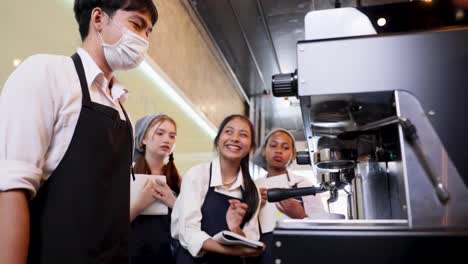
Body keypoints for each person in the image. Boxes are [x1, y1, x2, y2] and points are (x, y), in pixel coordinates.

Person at [0, 1, 158, 263]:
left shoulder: (121, 108)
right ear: (98, 18)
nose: (143, 39)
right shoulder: (48, 73)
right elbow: (11, 187)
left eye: (148, 33)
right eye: (136, 25)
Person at [171, 114, 265, 264]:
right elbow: (188, 232)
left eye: (243, 135)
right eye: (228, 132)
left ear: (251, 148)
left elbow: (250, 243)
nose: (234, 138)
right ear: (217, 140)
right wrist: (230, 251)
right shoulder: (197, 175)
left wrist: (235, 228)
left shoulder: (252, 190)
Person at [251, 128, 325, 264]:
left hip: (296, 254)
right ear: (263, 151)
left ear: (293, 155)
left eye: (285, 147)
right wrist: (254, 210)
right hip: (262, 257)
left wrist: (301, 216)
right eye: (273, 145)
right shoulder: (253, 187)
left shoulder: (304, 185)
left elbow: (322, 230)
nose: (278, 150)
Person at [130, 114, 181, 264]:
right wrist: (139, 204)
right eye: (160, 133)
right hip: (131, 255)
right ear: (143, 139)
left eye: (172, 136)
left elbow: (190, 225)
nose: (167, 140)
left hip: (167, 257)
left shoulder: (179, 181)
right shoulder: (126, 176)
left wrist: (173, 202)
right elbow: (111, 224)